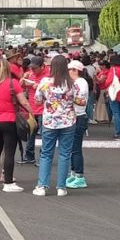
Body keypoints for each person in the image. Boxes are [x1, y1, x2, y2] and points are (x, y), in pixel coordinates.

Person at [0, 58, 33, 192]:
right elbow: (23, 101)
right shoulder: (13, 83)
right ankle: (8, 182)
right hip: (9, 119)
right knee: (9, 152)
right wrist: (31, 112)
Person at [33, 55, 79, 198]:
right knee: (65, 154)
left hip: (50, 121)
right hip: (68, 121)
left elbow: (38, 100)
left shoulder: (45, 82)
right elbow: (77, 100)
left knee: (46, 153)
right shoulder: (72, 83)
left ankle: (42, 186)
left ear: (51, 67)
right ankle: (61, 187)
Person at [19, 55, 48, 164]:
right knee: (30, 133)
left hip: (43, 109)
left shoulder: (48, 75)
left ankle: (43, 158)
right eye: (31, 68)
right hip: (32, 108)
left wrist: (39, 86)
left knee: (45, 135)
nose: (32, 70)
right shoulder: (30, 74)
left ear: (42, 66)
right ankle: (29, 156)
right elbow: (21, 86)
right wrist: (23, 79)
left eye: (35, 68)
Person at [66, 60, 90, 189]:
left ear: (76, 70)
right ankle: (73, 173)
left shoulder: (81, 83)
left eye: (70, 69)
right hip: (72, 116)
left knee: (75, 148)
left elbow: (81, 101)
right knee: (71, 148)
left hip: (79, 117)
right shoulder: (75, 82)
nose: (68, 72)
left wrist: (68, 97)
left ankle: (80, 176)